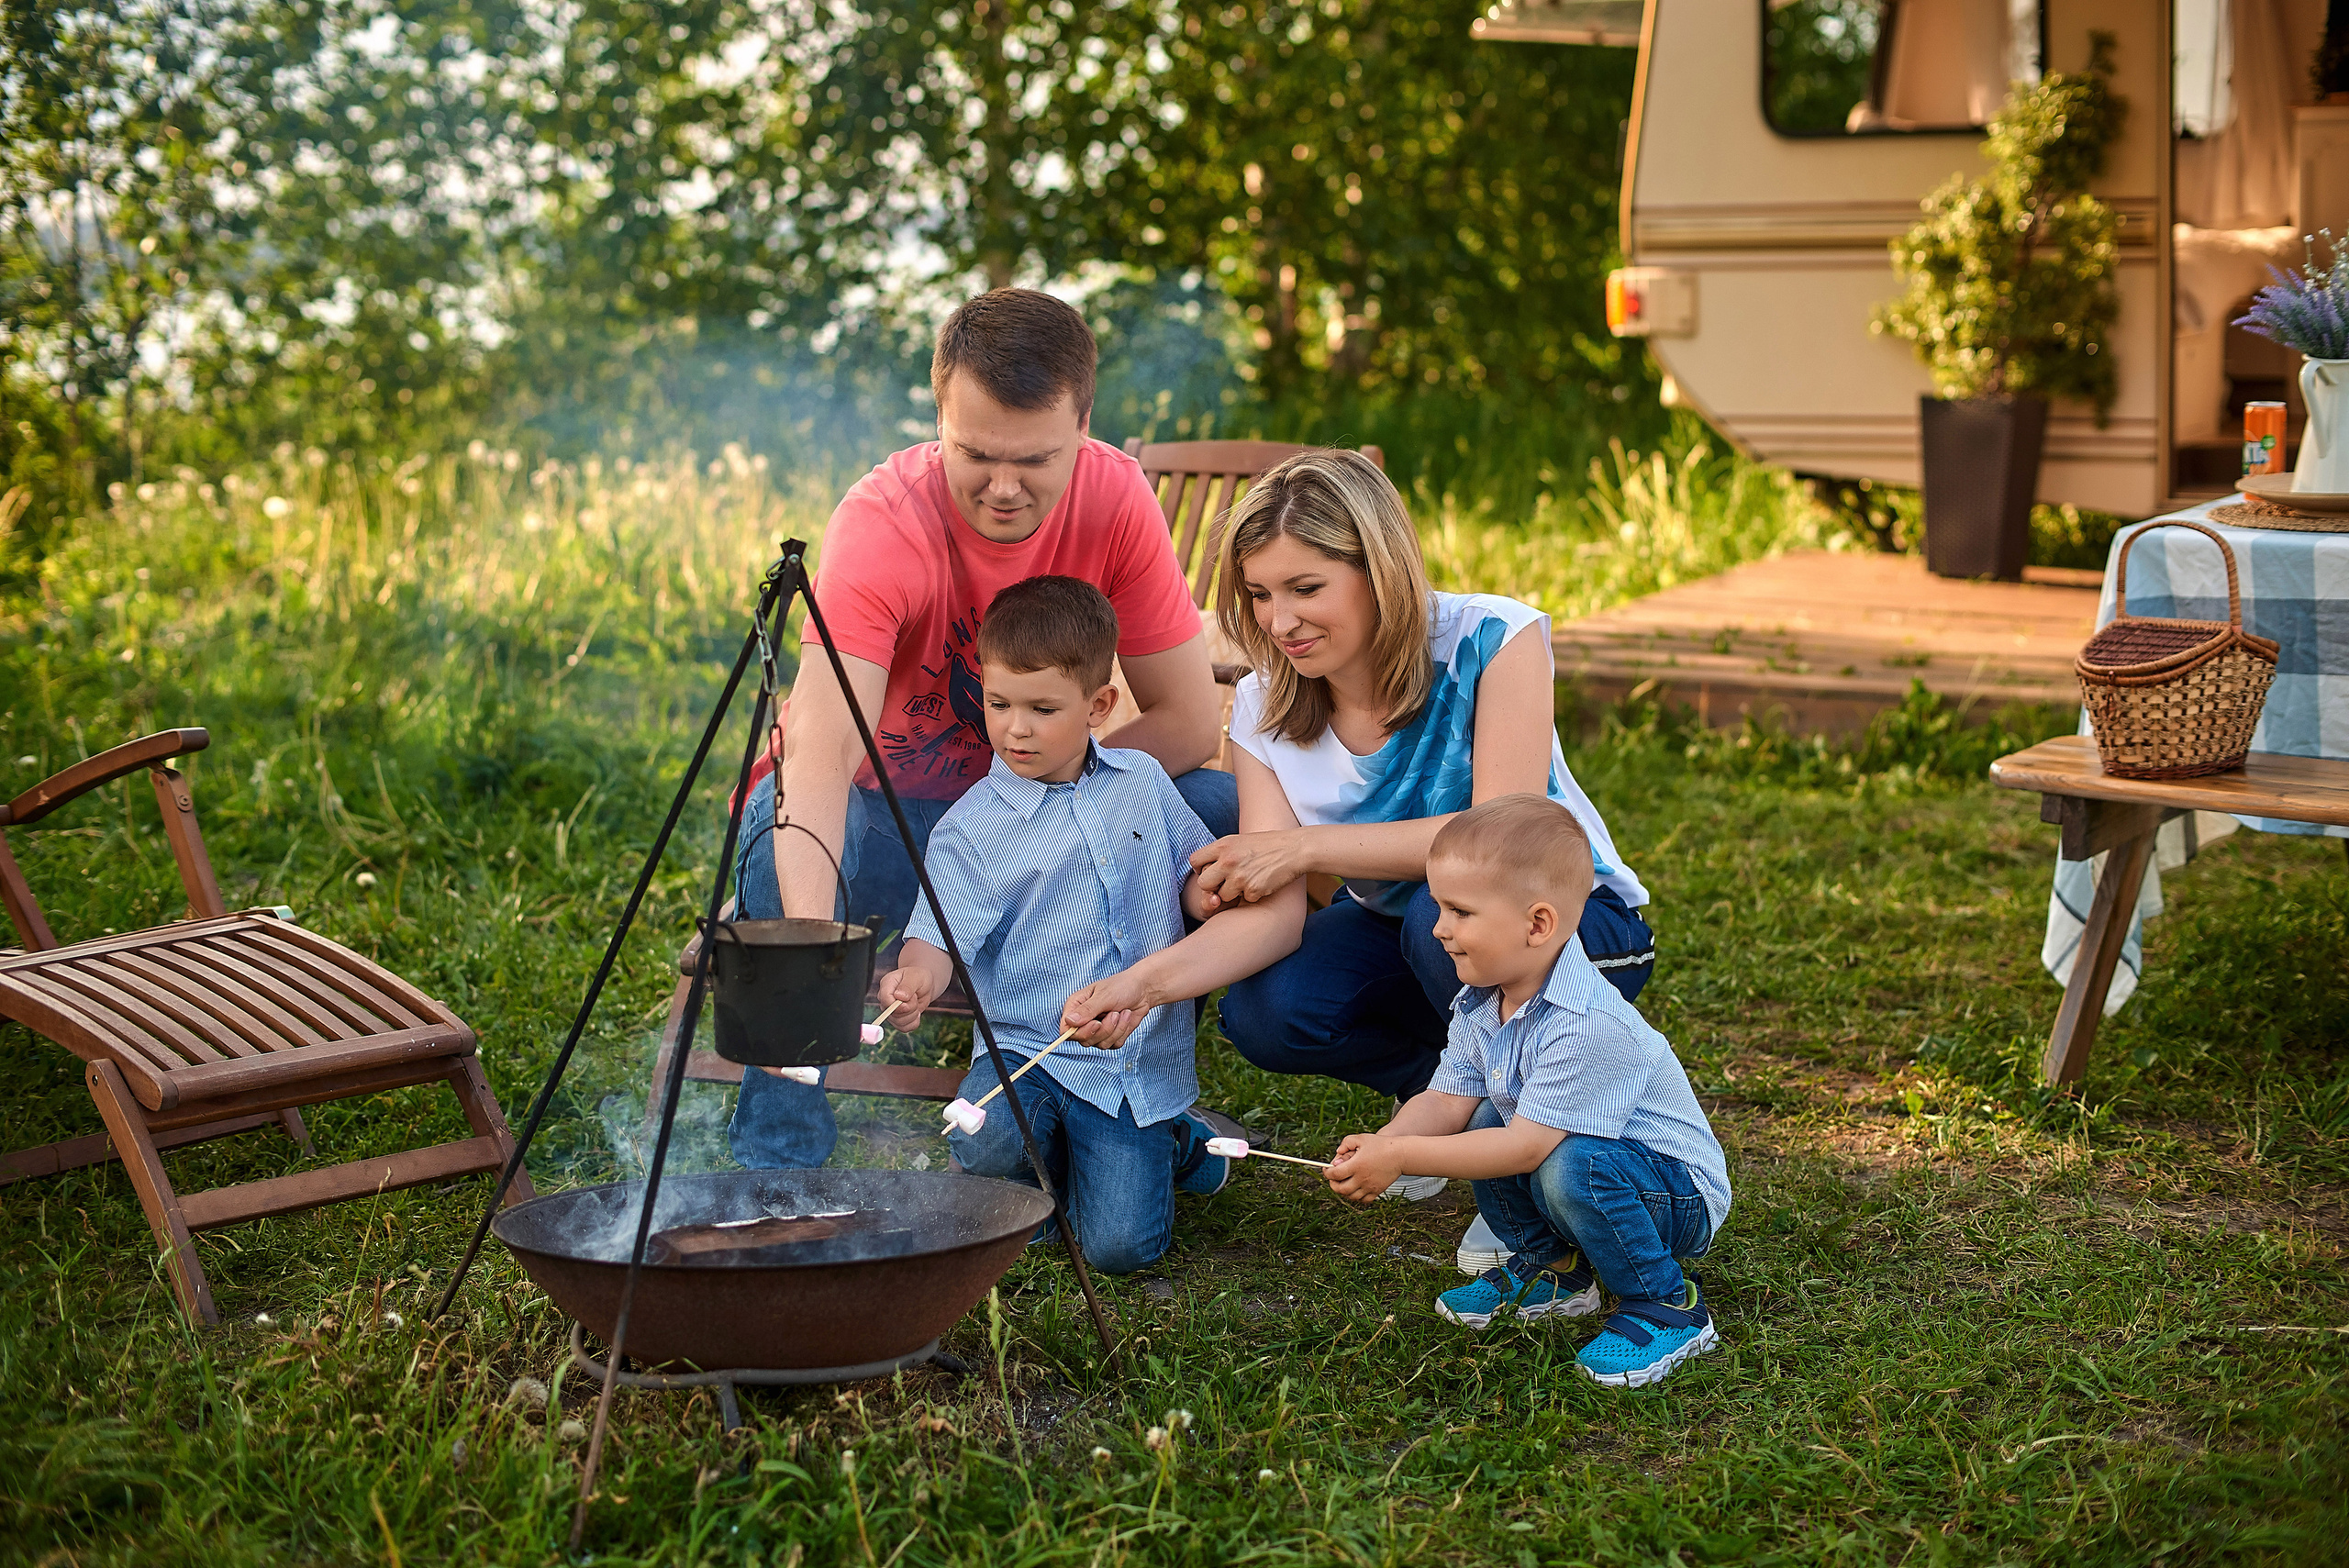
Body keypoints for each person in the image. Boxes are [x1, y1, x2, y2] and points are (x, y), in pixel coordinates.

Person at [1063, 448, 1653, 1268]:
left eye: (1306, 589)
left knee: (1438, 911)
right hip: (1421, 938)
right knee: (1268, 1010)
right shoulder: (1268, 701)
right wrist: (1143, 984)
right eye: (1261, 594)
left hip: (1569, 928)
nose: (1279, 621)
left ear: (1379, 570)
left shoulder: (1495, 638)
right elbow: (1274, 910)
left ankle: (1518, 1184)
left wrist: (1303, 846)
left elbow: (1501, 841)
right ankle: (1440, 1102)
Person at [729, 289, 1239, 1171]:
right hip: (886, 815)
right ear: (939, 418)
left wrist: (1044, 807)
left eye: (1036, 459)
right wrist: (812, 945)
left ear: (1084, 424)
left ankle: (1137, 1102)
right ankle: (782, 1158)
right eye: (973, 455)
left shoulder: (1116, 498)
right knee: (814, 820)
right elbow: (818, 755)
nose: (1003, 488)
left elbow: (1191, 722)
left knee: (1212, 804)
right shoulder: (883, 522)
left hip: (1034, 806)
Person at [875, 577, 1300, 1273]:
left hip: (1125, 1063)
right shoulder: (972, 831)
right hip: (1024, 1049)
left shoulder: (1141, 780)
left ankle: (1176, 1144)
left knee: (1118, 1249)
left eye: (1043, 708)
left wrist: (1205, 897)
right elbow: (939, 933)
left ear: (1099, 705)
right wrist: (918, 974)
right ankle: (1035, 1192)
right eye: (1000, 703)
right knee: (982, 1138)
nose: (1016, 727)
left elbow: (1186, 875)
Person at [1324, 795, 1730, 1388]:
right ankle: (1553, 1268)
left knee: (1570, 1163)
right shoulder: (1481, 999)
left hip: (1675, 1195)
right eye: (1439, 906)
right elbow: (1447, 1100)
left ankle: (1667, 1305)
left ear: (1538, 924)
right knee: (1489, 1113)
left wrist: (1405, 1159)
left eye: (1460, 910)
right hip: (1596, 1168)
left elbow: (1524, 1150)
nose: (1439, 927)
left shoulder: (1586, 1021)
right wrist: (1384, 1141)